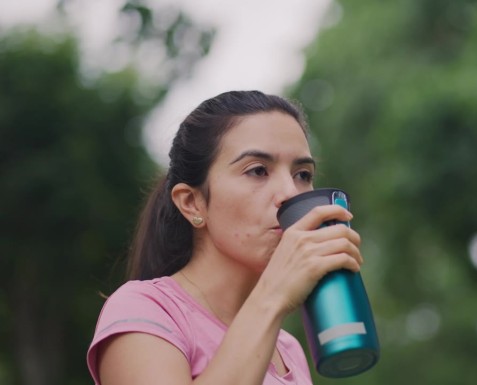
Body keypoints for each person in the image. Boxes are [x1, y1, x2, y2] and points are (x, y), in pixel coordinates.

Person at [87, 90, 364, 385]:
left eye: (303, 174)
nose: (290, 193)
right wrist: (272, 296)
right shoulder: (145, 310)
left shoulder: (288, 348)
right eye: (258, 171)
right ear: (192, 203)